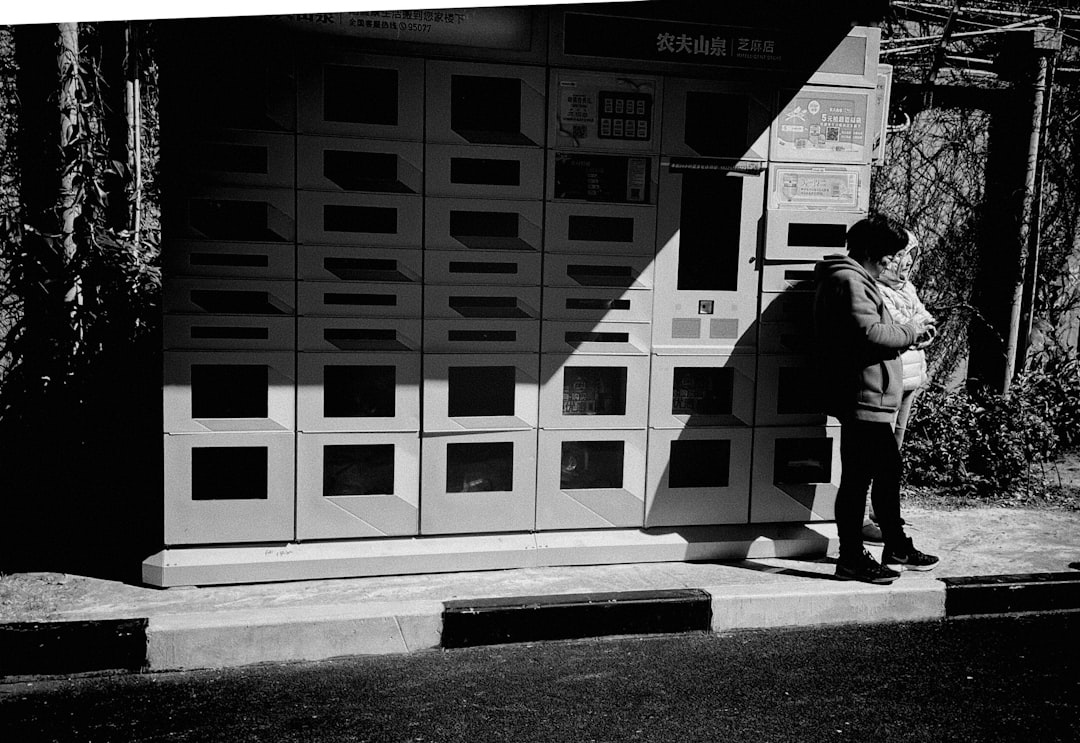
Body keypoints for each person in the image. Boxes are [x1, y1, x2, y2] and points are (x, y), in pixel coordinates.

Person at [813, 214, 940, 584]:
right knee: (866, 476)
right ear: (875, 252)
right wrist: (911, 331)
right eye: (890, 253)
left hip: (864, 390)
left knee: (874, 471)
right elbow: (870, 333)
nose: (894, 261)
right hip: (861, 392)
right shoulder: (850, 280)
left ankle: (893, 545)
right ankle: (853, 556)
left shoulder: (852, 278)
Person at [860, 229, 937, 542]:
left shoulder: (908, 288)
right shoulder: (874, 288)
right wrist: (913, 330)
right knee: (877, 451)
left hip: (911, 377)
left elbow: (924, 322)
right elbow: (892, 330)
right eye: (902, 255)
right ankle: (864, 514)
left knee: (896, 448)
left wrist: (916, 330)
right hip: (888, 378)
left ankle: (883, 508)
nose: (906, 263)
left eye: (911, 256)